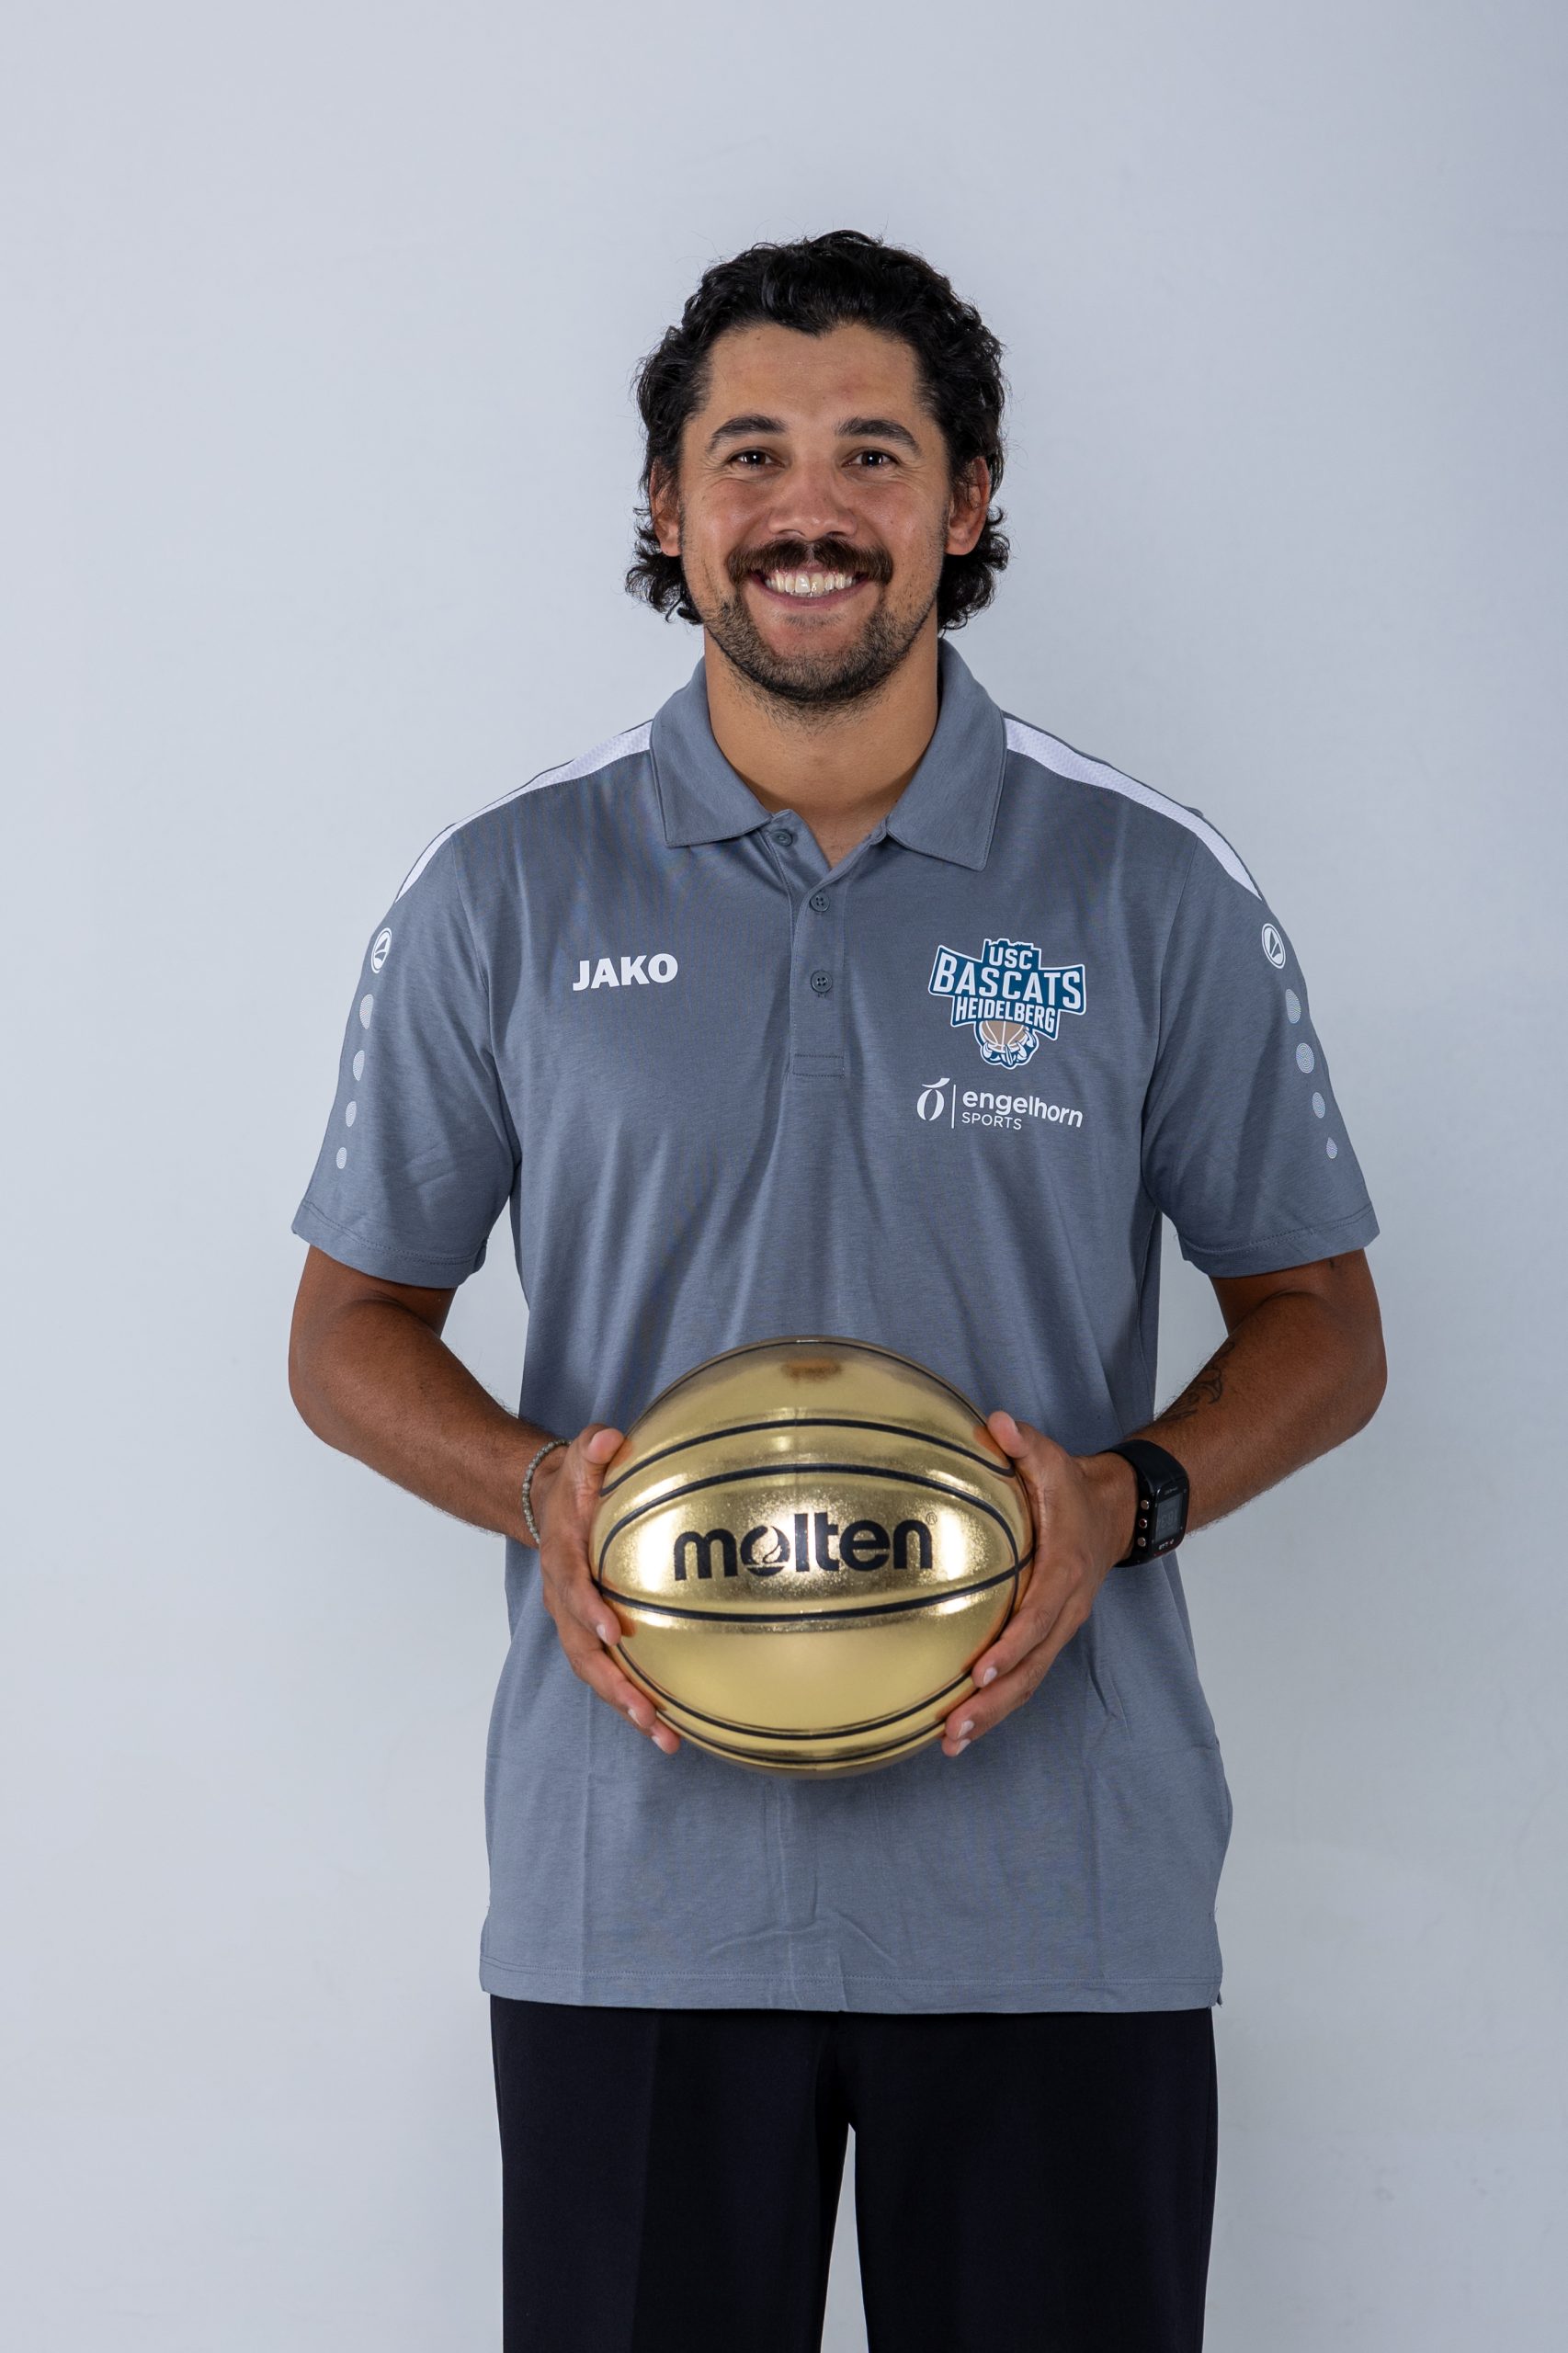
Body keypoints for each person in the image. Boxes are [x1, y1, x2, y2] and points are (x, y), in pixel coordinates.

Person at [288, 229, 1386, 2353]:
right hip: (635, 1898)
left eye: (873, 453)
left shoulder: (1145, 883)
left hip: (1058, 1897)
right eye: (752, 454)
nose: (811, 509)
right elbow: (345, 1331)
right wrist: (538, 1486)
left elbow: (1323, 1322)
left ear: (964, 500)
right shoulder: (504, 888)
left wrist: (1126, 1494)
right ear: (667, 504)